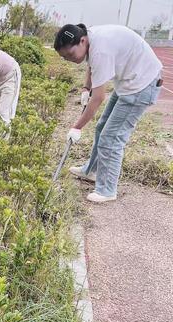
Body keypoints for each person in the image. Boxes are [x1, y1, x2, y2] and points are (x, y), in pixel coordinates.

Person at [54, 24, 163, 203]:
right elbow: (91, 65)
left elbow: (98, 98)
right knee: (101, 127)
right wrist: (85, 87)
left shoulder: (100, 50)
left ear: (81, 41)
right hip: (129, 83)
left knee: (111, 138)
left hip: (142, 85)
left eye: (70, 55)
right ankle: (92, 171)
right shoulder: (89, 37)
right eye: (64, 58)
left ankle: (107, 189)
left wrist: (77, 127)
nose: (69, 59)